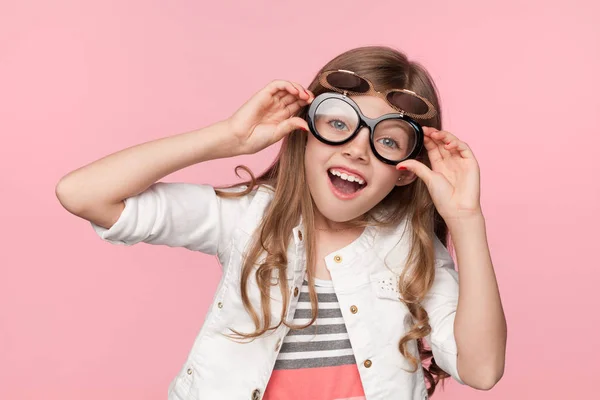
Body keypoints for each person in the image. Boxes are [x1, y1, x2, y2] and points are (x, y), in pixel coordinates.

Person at [56, 45, 506, 400]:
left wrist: (466, 219)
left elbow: (481, 369)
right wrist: (228, 137)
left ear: (407, 170)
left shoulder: (411, 249)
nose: (357, 149)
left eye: (387, 140)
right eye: (339, 123)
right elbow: (82, 194)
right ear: (303, 131)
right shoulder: (248, 217)